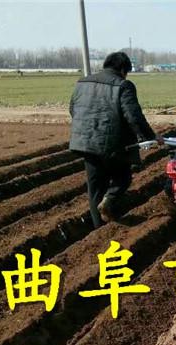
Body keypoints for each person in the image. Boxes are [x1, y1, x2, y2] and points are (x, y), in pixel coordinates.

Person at [69, 51, 155, 227]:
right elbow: (133, 116)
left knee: (95, 189)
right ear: (123, 69)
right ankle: (109, 200)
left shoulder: (82, 82)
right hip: (112, 143)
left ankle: (98, 230)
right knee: (123, 178)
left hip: (86, 143)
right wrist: (150, 137)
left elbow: (73, 109)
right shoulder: (123, 85)